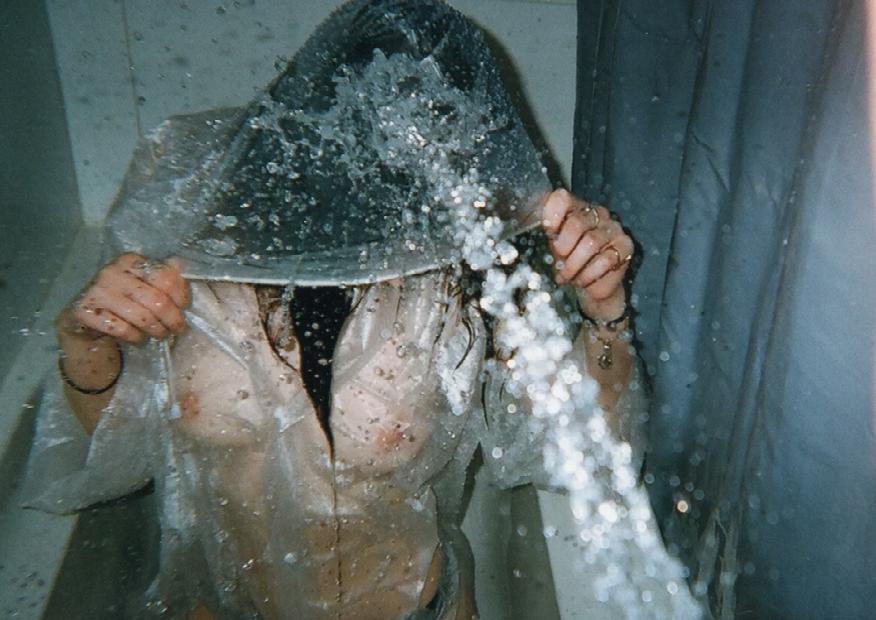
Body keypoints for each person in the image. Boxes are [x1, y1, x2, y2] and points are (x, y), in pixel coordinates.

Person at [27, 1, 642, 618]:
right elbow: (114, 457)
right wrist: (88, 343)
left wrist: (604, 311)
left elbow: (578, 454)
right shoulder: (194, 257)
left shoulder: (462, 283)